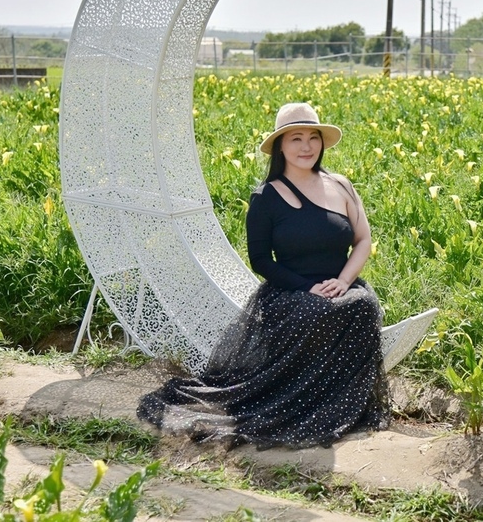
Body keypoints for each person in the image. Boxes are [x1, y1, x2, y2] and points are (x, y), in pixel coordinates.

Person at [137, 102, 389, 447]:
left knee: (362, 305)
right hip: (290, 292)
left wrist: (344, 281)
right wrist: (307, 288)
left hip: (340, 284)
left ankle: (342, 403)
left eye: (313, 137)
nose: (306, 146)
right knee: (318, 312)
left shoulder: (341, 185)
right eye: (295, 138)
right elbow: (261, 260)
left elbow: (363, 240)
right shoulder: (266, 198)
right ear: (280, 147)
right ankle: (302, 403)